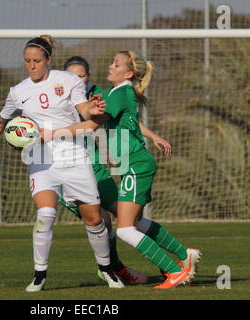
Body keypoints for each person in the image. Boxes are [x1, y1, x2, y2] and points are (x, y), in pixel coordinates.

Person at [0, 35, 124, 292]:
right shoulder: (18, 91)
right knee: (45, 215)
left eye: (36, 61)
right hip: (40, 159)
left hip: (74, 156)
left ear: (48, 60)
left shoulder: (67, 80)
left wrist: (94, 108)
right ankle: (39, 275)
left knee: (93, 219)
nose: (31, 66)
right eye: (27, 61)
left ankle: (106, 268)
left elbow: (84, 111)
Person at [42, 51, 202, 289]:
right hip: (127, 165)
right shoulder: (116, 93)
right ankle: (183, 255)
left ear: (128, 73)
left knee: (125, 228)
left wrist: (53, 133)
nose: (110, 66)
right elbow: (124, 120)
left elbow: (92, 124)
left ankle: (173, 271)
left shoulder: (115, 94)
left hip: (134, 165)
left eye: (115, 64)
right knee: (132, 223)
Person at [61, 56, 176, 285]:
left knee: (130, 219)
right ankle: (113, 268)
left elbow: (124, 118)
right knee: (101, 219)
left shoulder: (101, 94)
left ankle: (178, 262)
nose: (77, 80)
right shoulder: (57, 98)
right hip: (69, 167)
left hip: (95, 165)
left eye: (81, 76)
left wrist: (152, 135)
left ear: (89, 77)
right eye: (72, 77)